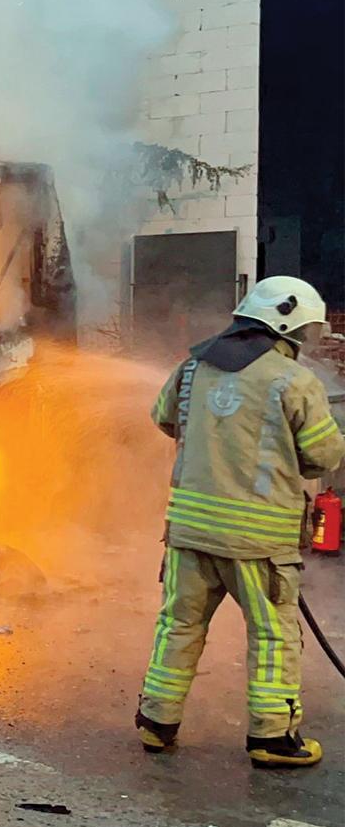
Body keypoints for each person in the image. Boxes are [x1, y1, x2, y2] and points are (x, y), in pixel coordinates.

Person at [136, 276, 345, 768]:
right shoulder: (292, 380)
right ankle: (273, 738)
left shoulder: (192, 367)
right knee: (273, 635)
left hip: (189, 532)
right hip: (259, 541)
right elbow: (322, 455)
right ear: (287, 323)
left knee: (179, 624)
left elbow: (165, 417)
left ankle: (157, 724)